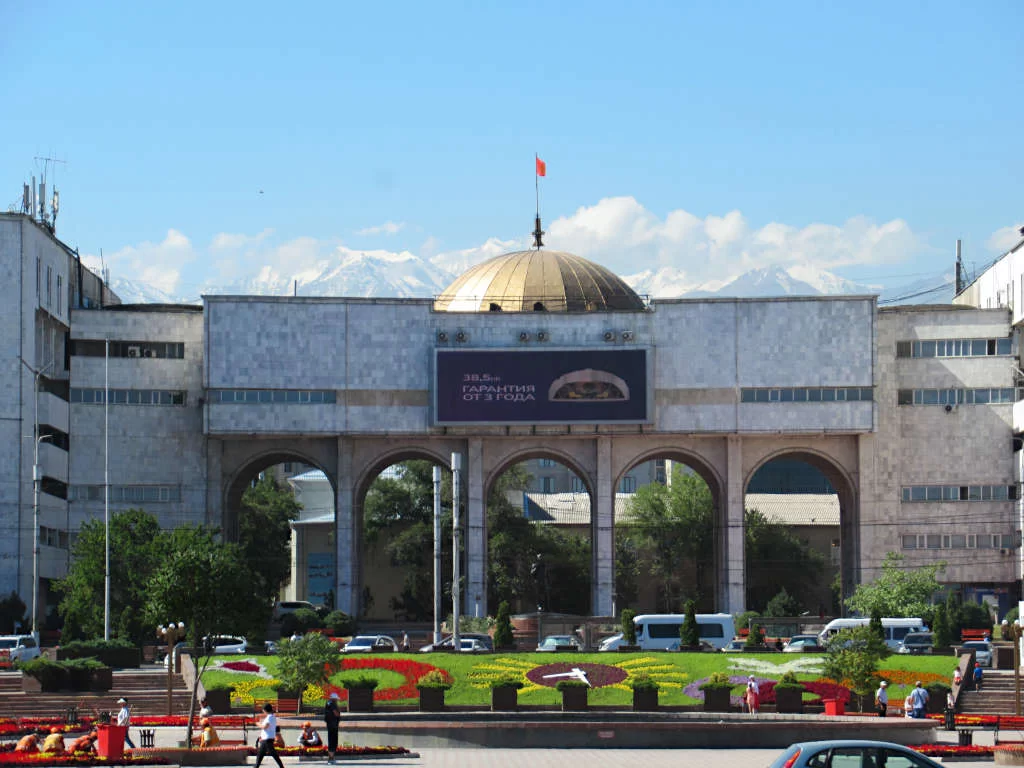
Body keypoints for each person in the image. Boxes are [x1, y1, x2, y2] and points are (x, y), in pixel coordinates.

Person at [254, 703, 285, 768]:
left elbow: (265, 726)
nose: (263, 712)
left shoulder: (269, 717)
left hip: (266, 740)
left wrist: (257, 724)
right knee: (262, 755)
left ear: (265, 710)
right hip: (267, 739)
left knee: (264, 755)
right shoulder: (272, 717)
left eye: (263, 710)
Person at [324, 691, 341, 764]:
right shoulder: (332, 704)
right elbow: (336, 713)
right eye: (336, 699)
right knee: (333, 741)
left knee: (332, 741)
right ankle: (331, 759)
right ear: (334, 699)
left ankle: (331, 758)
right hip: (333, 725)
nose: (337, 700)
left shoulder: (328, 703)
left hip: (331, 725)